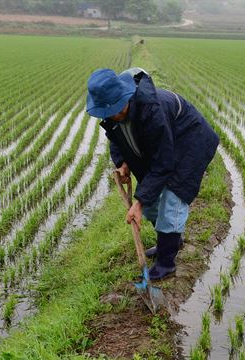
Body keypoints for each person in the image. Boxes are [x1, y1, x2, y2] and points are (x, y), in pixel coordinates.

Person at [86, 67, 219, 281]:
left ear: (124, 98)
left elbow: (163, 164)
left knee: (172, 199)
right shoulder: (112, 115)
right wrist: (122, 163)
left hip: (190, 143)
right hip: (164, 146)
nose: (112, 116)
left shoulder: (152, 110)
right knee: (152, 205)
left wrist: (137, 203)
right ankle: (171, 241)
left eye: (115, 110)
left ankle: (167, 264)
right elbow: (117, 139)